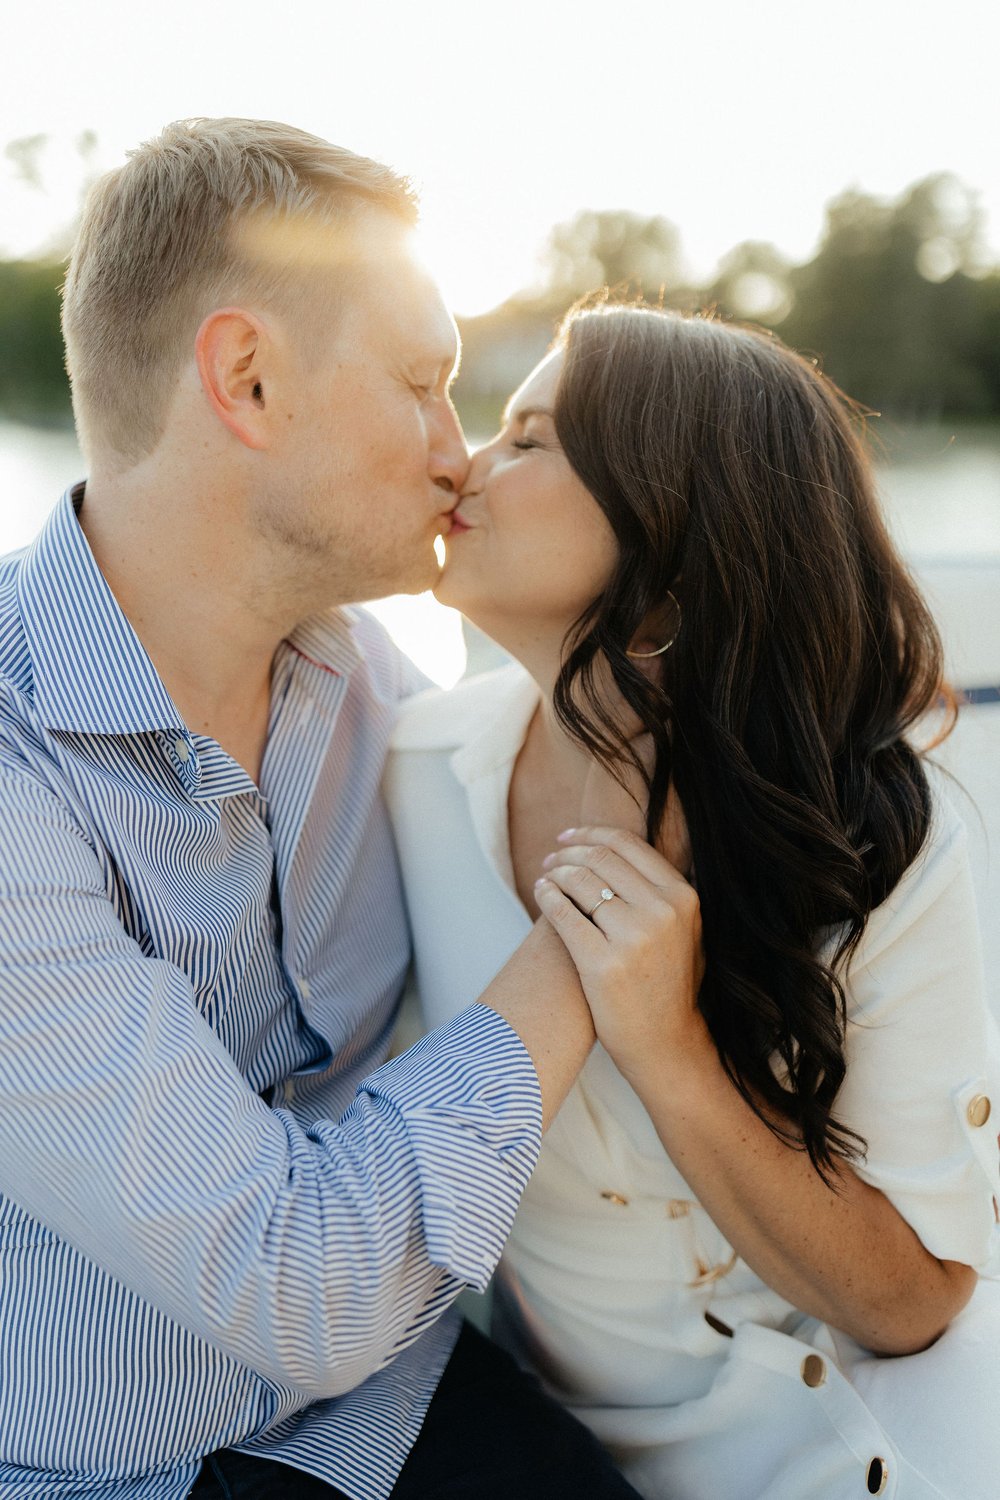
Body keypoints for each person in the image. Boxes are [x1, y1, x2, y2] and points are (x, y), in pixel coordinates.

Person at [0, 120, 644, 1500]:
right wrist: (597, 924)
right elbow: (302, 1287)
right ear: (246, 379)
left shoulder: (367, 677)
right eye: (423, 383)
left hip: (387, 1408)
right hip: (102, 1472)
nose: (454, 454)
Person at [385, 304, 1000, 1499]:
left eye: (529, 440)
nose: (463, 462)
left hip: (877, 1429)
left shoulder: (875, 830)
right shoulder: (405, 774)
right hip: (549, 1453)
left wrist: (669, 1052)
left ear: (667, 534)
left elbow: (915, 1303)